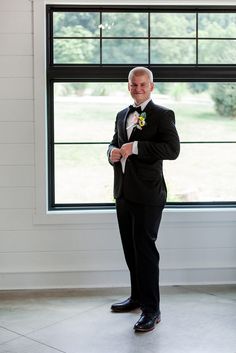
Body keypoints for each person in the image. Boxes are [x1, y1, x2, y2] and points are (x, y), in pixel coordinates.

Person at [107, 67, 180, 332]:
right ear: (128, 86)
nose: (138, 89)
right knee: (131, 249)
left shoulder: (162, 115)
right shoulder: (121, 115)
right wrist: (112, 152)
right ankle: (137, 298)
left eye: (142, 85)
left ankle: (152, 310)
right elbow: (113, 143)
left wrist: (136, 147)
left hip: (149, 194)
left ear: (151, 86)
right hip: (123, 192)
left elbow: (173, 150)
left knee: (146, 251)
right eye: (133, 85)